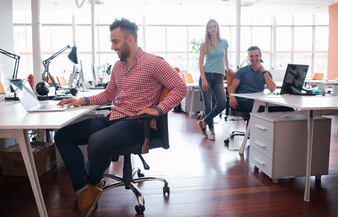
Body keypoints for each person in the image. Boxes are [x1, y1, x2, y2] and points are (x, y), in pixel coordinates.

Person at [54, 18, 188, 217]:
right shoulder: (118, 67)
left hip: (137, 123)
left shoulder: (153, 63)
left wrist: (160, 109)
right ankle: (86, 189)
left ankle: (92, 185)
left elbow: (180, 87)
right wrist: (81, 100)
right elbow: (108, 95)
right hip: (113, 117)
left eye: (115, 41)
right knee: (62, 136)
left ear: (130, 39)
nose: (112, 46)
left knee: (96, 142)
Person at [197, 19, 232, 141]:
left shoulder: (224, 42)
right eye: (210, 27)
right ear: (207, 29)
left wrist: (228, 68)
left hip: (219, 77)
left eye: (214, 26)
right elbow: (200, 63)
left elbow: (225, 58)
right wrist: (204, 79)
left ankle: (203, 122)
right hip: (206, 76)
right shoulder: (204, 43)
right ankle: (211, 131)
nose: (212, 28)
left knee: (222, 103)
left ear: (217, 28)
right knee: (208, 105)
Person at [228, 46, 276, 113]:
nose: (254, 59)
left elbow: (272, 89)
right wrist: (231, 97)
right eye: (251, 56)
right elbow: (232, 88)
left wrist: (263, 71)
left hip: (258, 100)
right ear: (248, 58)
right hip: (244, 100)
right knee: (261, 108)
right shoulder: (242, 71)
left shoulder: (266, 73)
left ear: (260, 56)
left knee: (286, 108)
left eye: (256, 56)